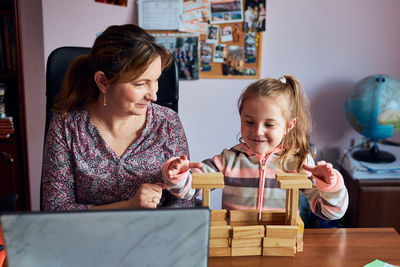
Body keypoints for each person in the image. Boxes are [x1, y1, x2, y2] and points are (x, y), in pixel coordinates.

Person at [41, 24, 197, 211]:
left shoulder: (168, 123)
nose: (153, 96)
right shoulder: (66, 127)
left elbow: (183, 203)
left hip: (155, 235)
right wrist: (127, 206)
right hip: (87, 237)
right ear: (103, 82)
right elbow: (55, 209)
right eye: (140, 84)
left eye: (155, 80)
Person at [162, 75, 348, 221]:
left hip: (281, 245)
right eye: (249, 121)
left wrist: (331, 186)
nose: (257, 131)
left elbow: (331, 213)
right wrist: (177, 175)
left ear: (289, 126)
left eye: (269, 124)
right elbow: (189, 190)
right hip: (236, 243)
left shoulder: (298, 162)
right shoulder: (228, 159)